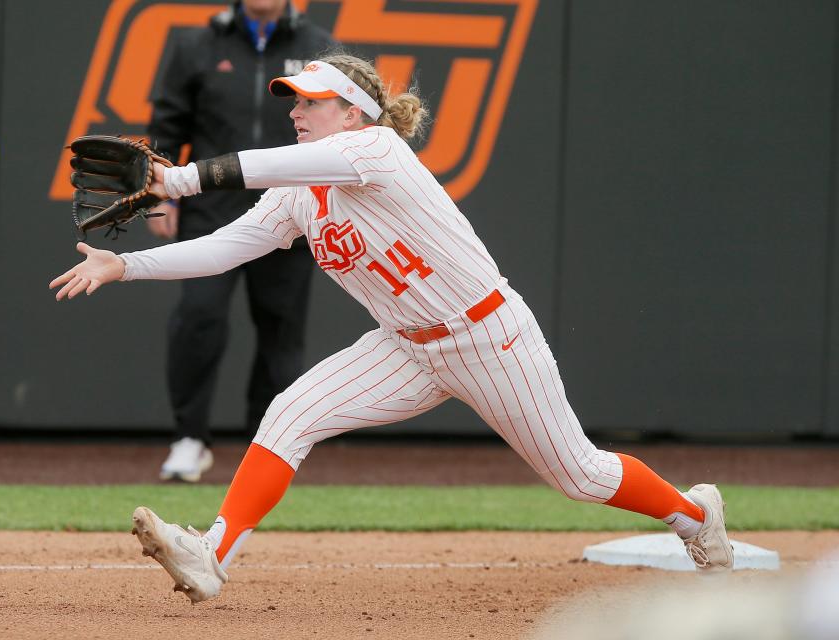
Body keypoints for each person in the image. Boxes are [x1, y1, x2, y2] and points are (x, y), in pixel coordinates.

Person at [50, 54, 734, 603]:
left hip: (487, 338)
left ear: (355, 112)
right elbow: (227, 248)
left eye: (312, 101)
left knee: (580, 475)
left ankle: (694, 516)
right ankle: (212, 556)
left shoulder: (377, 150)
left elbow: (261, 167)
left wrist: (185, 181)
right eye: (295, 100)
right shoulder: (300, 195)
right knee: (292, 411)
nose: (296, 110)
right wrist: (124, 265)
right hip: (404, 347)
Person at [146, 0, 335, 482]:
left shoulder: (317, 46)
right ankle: (189, 438)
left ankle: (266, 447)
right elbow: (168, 123)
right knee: (199, 318)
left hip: (292, 209)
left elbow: (337, 129)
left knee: (281, 334)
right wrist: (162, 198)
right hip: (211, 207)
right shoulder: (198, 44)